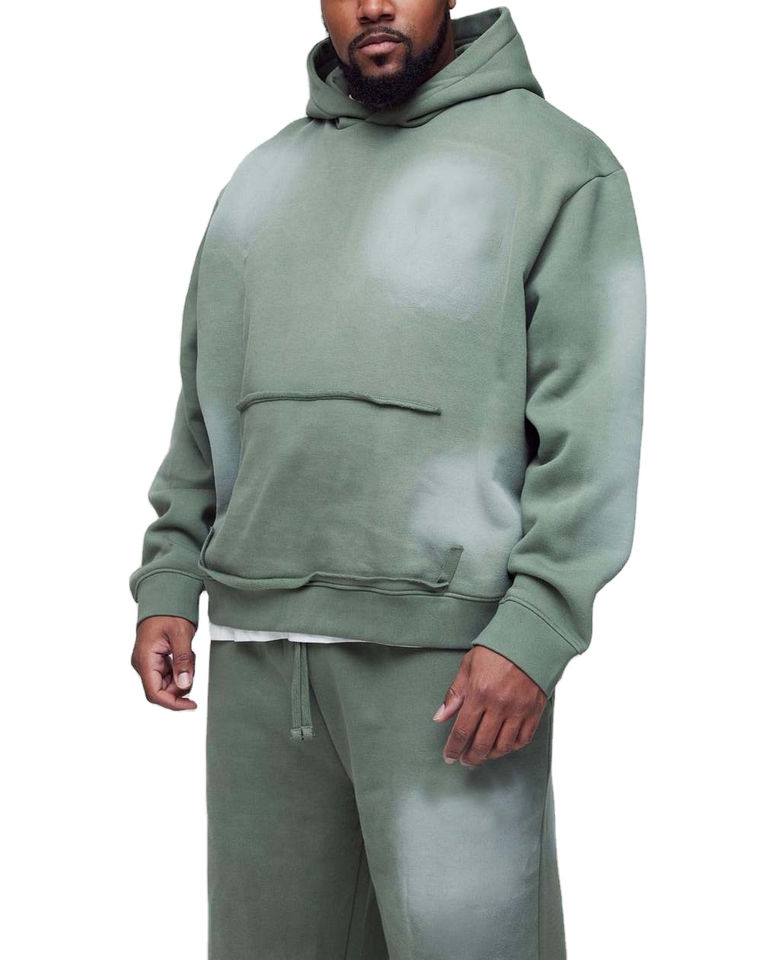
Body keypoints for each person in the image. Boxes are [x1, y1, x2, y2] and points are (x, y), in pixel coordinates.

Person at [128, 3, 646, 958]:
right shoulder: (260, 179)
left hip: (452, 663)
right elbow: (205, 402)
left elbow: (593, 426)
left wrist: (534, 629)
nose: (372, 5)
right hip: (260, 652)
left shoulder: (555, 166)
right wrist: (169, 576)